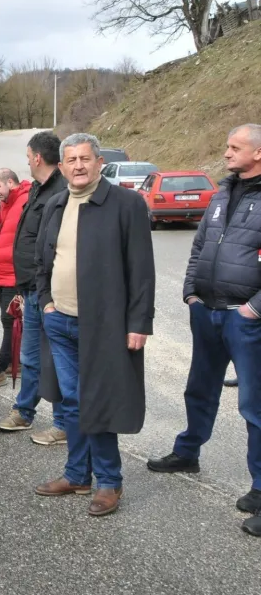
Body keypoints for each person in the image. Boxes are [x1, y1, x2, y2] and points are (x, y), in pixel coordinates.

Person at [147, 123, 261, 535]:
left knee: (254, 406)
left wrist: (253, 309)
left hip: (245, 318)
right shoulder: (222, 194)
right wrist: (191, 292)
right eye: (227, 146)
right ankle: (187, 452)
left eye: (235, 147)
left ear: (258, 153)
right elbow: (199, 248)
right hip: (206, 312)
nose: (227, 153)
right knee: (199, 389)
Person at [34, 133, 154, 517]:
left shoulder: (126, 204)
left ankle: (108, 482)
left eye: (86, 158)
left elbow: (142, 270)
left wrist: (139, 322)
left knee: (96, 402)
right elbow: (43, 261)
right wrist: (46, 303)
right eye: (71, 160)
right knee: (71, 403)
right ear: (62, 165)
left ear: (100, 162)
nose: (78, 165)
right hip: (60, 322)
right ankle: (76, 474)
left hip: (102, 325)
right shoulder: (56, 203)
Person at [0, 132, 68, 445]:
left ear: (37, 156)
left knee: (57, 361)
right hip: (30, 289)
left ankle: (63, 424)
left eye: (28, 155)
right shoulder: (38, 189)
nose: (26, 160)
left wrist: (41, 288)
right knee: (30, 357)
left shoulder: (61, 191)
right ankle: (24, 412)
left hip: (48, 291)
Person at [0, 169, 31, 390]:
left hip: (14, 274)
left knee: (9, 320)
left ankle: (1, 367)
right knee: (9, 321)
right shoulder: (6, 202)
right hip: (0, 273)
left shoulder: (25, 201)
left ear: (10, 182)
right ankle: (15, 362)